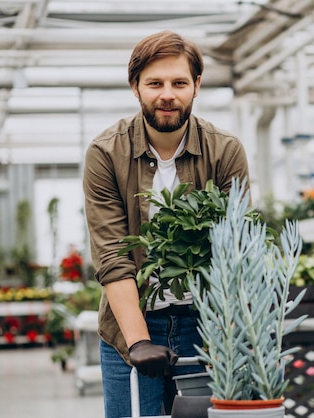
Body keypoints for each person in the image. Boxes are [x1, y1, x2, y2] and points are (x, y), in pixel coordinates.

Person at [82, 30, 250, 417]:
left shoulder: (224, 150)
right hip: (130, 325)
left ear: (197, 86)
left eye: (179, 83)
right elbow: (112, 255)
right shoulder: (106, 153)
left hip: (206, 324)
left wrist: (234, 330)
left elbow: (239, 245)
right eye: (154, 83)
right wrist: (139, 341)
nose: (167, 94)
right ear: (135, 87)